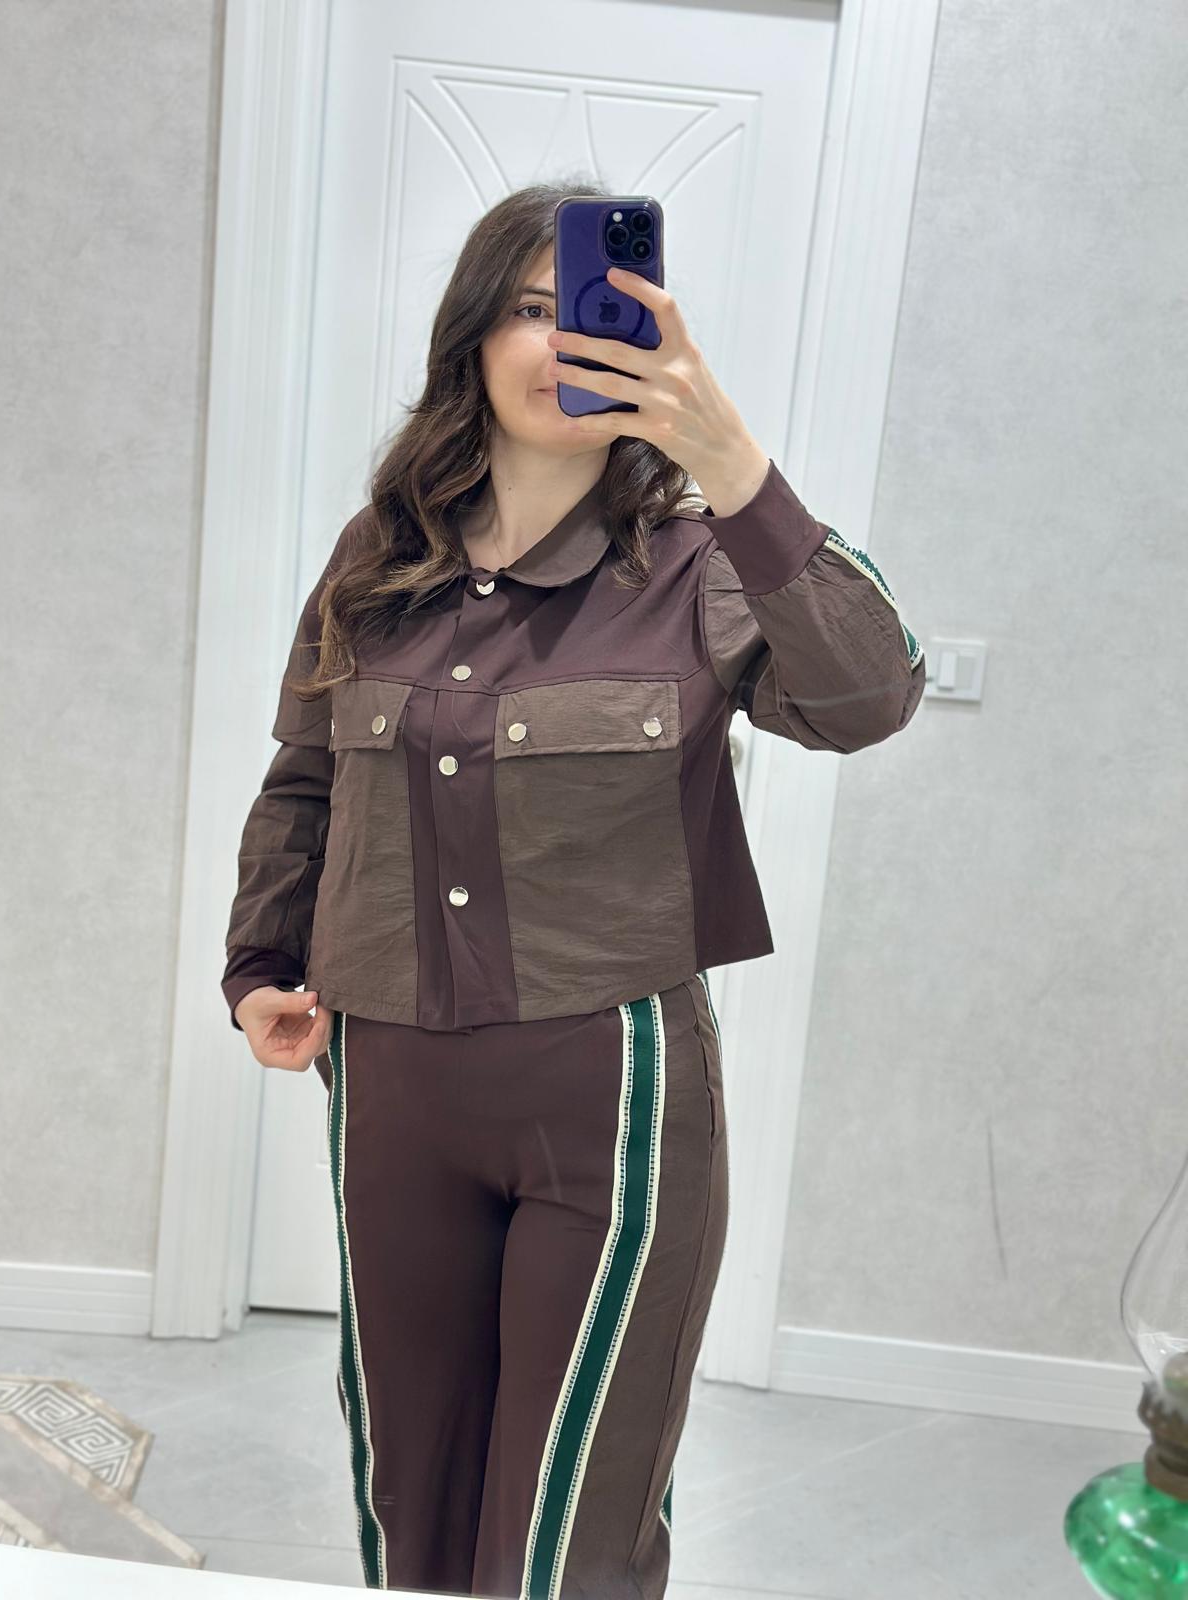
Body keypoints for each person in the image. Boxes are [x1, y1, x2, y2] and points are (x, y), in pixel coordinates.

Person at [221, 180, 926, 1597]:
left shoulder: (703, 562)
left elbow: (870, 699)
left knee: (570, 1523)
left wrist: (737, 465)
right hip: (390, 1082)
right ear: (474, 337)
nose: (566, 341)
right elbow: (307, 777)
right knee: (409, 1495)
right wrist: (258, 969)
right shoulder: (377, 556)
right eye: (534, 309)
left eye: (602, 313)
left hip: (611, 1097)